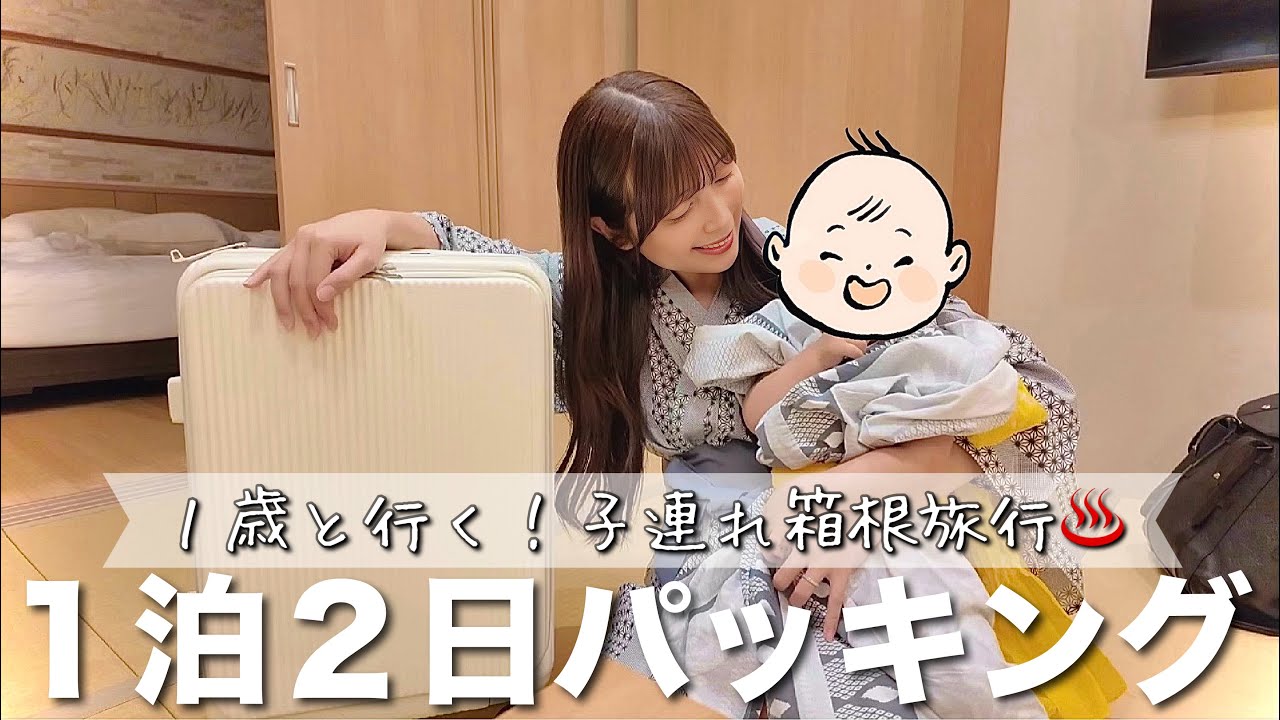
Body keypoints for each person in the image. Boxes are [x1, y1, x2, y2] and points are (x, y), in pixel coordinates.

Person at [245, 70, 1099, 718]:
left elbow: (1007, 380)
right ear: (613, 229)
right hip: (715, 558)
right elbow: (481, 262)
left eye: (722, 174)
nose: (718, 218)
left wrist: (871, 482)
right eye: (678, 207)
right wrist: (379, 224)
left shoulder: (817, 259)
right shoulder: (599, 308)